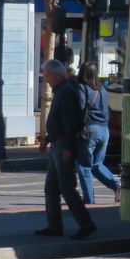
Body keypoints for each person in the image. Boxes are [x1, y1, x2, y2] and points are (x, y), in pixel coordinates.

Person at [36, 59, 96, 240]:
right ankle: (54, 226)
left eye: (47, 76)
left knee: (67, 188)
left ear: (57, 74)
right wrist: (47, 139)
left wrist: (69, 148)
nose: (46, 80)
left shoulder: (66, 92)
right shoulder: (61, 91)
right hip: (57, 143)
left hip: (64, 145)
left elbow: (70, 122)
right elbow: (60, 121)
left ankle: (86, 224)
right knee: (51, 189)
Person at [76, 62, 121, 204]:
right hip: (104, 130)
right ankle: (117, 186)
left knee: (84, 166)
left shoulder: (82, 88)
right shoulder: (103, 90)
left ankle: (89, 200)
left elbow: (80, 108)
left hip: (91, 129)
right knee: (97, 164)